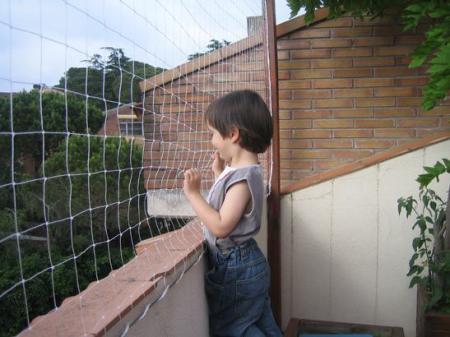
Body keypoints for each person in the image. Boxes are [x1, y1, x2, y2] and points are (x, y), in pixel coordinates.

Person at [183, 90, 282, 337]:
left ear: (233, 134)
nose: (212, 141)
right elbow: (231, 204)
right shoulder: (245, 170)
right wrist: (219, 174)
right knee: (261, 322)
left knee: (233, 330)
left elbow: (221, 225)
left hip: (236, 268)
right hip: (247, 263)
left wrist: (193, 194)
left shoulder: (241, 178)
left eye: (214, 134)